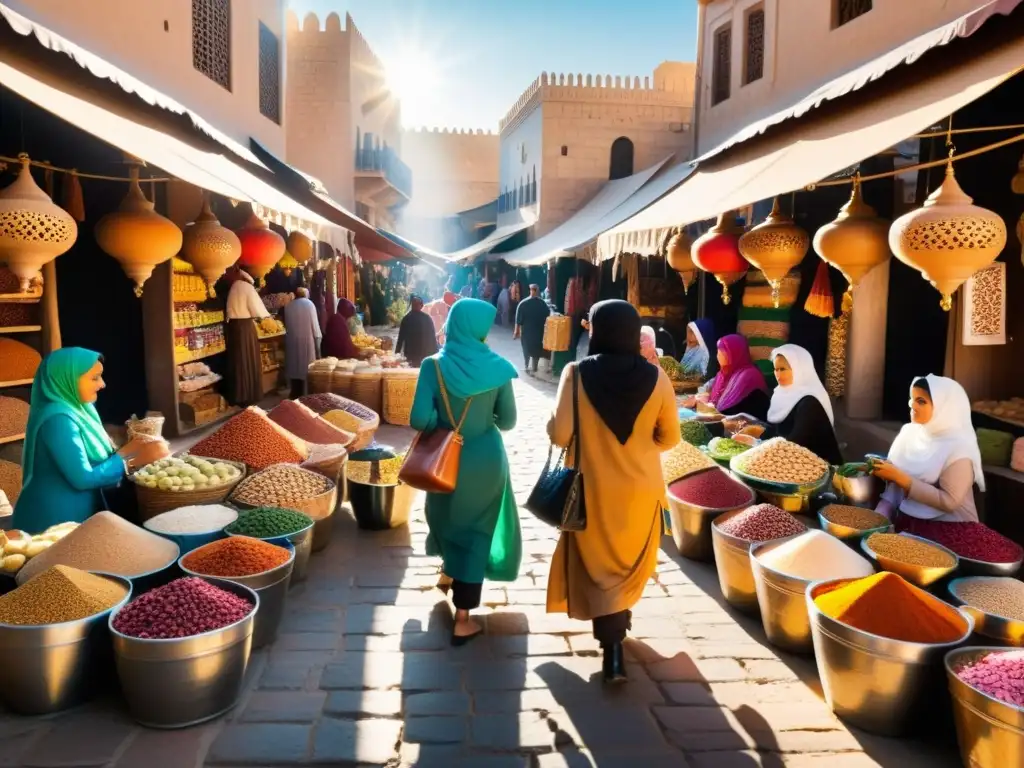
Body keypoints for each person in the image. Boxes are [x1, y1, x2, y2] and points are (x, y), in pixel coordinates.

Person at [546, 300, 681, 684]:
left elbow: (560, 435)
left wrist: (551, 420)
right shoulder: (657, 378)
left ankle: (613, 648)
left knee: (599, 563)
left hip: (592, 491)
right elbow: (670, 437)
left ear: (598, 330)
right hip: (641, 491)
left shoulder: (575, 373)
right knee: (626, 562)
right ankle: (616, 638)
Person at [409, 299, 522, 644]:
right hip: (485, 460)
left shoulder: (433, 366)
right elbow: (509, 421)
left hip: (445, 461)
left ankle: (449, 574)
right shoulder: (498, 368)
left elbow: (417, 419)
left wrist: (441, 423)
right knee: (478, 531)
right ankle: (463, 618)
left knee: (446, 516)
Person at [13, 348, 170, 533]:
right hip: (54, 519)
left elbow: (97, 459)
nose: (102, 384)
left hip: (82, 511)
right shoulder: (58, 419)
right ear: (67, 379)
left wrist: (134, 447)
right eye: (94, 378)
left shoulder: (80, 409)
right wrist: (133, 459)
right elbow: (83, 478)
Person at [872, 375, 983, 530]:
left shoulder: (958, 447)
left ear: (943, 407)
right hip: (909, 522)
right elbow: (894, 488)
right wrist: (879, 516)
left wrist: (901, 478)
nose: (913, 405)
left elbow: (949, 502)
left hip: (952, 529)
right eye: (913, 399)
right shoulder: (909, 433)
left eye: (921, 401)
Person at [761, 345, 843, 464]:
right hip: (792, 461)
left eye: (783, 369)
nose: (778, 375)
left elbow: (795, 444)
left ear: (799, 369)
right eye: (776, 369)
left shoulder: (810, 402)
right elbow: (776, 432)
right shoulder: (781, 394)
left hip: (818, 469)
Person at [697, 335, 770, 419]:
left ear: (735, 353)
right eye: (718, 351)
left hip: (750, 424)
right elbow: (708, 389)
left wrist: (711, 409)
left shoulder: (748, 376)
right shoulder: (723, 373)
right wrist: (703, 397)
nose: (718, 355)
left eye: (723, 351)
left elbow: (733, 410)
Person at [225, 268, 269, 406]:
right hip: (245, 327)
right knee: (248, 358)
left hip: (233, 326)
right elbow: (258, 310)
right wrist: (266, 318)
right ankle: (248, 395)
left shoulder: (233, 287)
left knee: (237, 360)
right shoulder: (246, 287)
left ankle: (237, 395)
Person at [282, 287, 321, 399]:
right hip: (307, 341)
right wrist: (318, 342)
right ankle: (307, 396)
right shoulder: (309, 304)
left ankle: (295, 394)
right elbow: (315, 326)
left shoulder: (288, 306)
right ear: (306, 294)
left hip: (292, 341)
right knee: (307, 369)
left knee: (295, 368)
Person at [513, 284, 550, 374]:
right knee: (536, 350)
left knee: (527, 350)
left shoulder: (523, 303)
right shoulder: (543, 304)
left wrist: (516, 332)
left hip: (527, 333)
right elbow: (548, 317)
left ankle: (527, 366)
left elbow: (518, 320)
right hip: (538, 332)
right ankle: (534, 367)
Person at [396, 295, 439, 367]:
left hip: (412, 355)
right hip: (421, 354)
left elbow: (400, 338)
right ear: (421, 306)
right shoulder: (426, 318)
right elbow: (432, 337)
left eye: (416, 304)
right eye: (414, 304)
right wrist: (435, 352)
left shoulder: (406, 318)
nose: (415, 306)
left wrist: (397, 353)